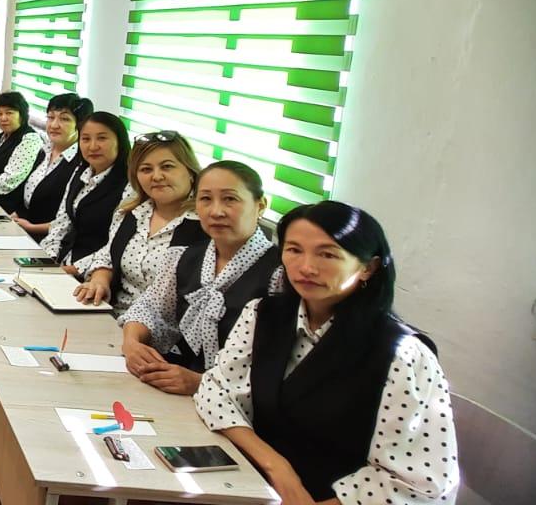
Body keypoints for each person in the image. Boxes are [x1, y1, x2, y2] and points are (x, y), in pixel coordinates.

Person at [194, 201, 458, 504]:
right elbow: (216, 391)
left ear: (368, 268)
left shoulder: (402, 355)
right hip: (253, 484)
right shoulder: (262, 314)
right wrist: (276, 467)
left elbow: (421, 485)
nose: (306, 267)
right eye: (294, 250)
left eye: (328, 254)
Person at [118, 161, 284, 394]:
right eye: (205, 199)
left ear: (261, 205)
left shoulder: (279, 274)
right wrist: (132, 342)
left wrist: (199, 383)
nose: (216, 211)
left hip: (240, 402)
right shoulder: (184, 257)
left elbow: (276, 365)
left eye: (230, 199)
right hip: (179, 386)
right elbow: (150, 309)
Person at [72, 130, 208, 317]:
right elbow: (107, 255)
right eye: (146, 169)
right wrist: (100, 279)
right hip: (110, 314)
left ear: (191, 172)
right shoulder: (130, 213)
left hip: (162, 330)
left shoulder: (206, 226)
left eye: (167, 167)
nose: (156, 176)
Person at [44, 112, 130, 271]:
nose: (93, 146)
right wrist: (49, 257)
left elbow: (115, 245)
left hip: (94, 272)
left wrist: (74, 269)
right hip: (63, 261)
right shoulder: (81, 173)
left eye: (102, 138)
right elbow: (61, 222)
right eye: (85, 139)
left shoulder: (129, 184)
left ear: (120, 141)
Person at [12, 93, 91, 235]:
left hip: (48, 237)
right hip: (23, 227)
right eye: (50, 117)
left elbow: (69, 221)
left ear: (80, 125)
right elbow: (29, 196)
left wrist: (31, 227)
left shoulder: (81, 163)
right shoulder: (45, 150)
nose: (54, 125)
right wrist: (15, 215)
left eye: (64, 119)